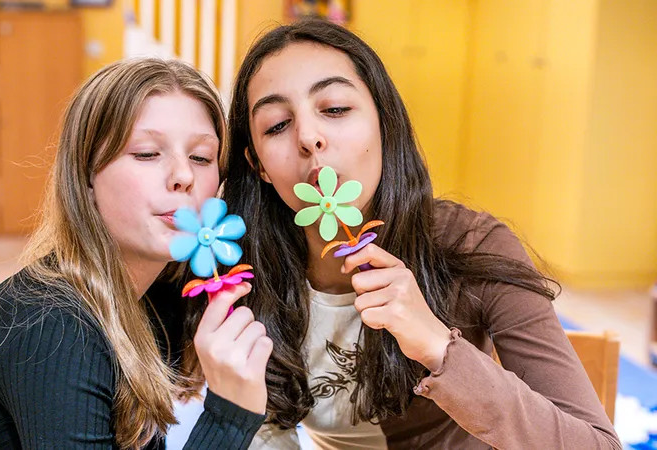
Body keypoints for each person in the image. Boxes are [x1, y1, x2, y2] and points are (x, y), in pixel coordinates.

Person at [192, 19, 622, 449]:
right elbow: (265, 426)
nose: (309, 137)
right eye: (277, 126)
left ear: (384, 121)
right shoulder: (235, 270)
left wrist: (437, 346)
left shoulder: (472, 245)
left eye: (335, 109)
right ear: (258, 164)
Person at [0, 58, 272, 449]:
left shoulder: (152, 299)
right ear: (86, 175)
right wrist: (230, 415)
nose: (184, 176)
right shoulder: (55, 328)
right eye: (147, 153)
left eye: (201, 157)